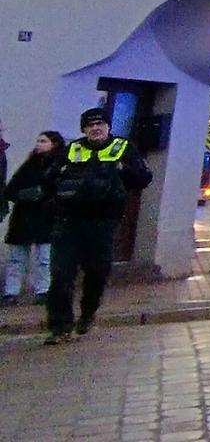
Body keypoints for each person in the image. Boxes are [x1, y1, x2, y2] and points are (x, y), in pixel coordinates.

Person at [45, 108, 151, 345]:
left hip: (103, 221)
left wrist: (125, 170)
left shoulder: (123, 148)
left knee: (97, 272)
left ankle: (88, 313)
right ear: (83, 129)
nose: (95, 128)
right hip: (68, 221)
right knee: (61, 273)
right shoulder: (72, 149)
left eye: (100, 124)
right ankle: (60, 326)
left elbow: (144, 178)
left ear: (108, 127)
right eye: (90, 125)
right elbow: (49, 179)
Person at [5, 132, 64, 306]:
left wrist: (45, 197)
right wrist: (26, 195)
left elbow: (59, 189)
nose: (38, 144)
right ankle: (11, 291)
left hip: (46, 217)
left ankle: (43, 291)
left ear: (54, 144)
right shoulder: (29, 165)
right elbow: (11, 189)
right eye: (38, 141)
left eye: (43, 141)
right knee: (16, 257)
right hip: (23, 217)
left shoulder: (59, 165)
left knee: (44, 258)